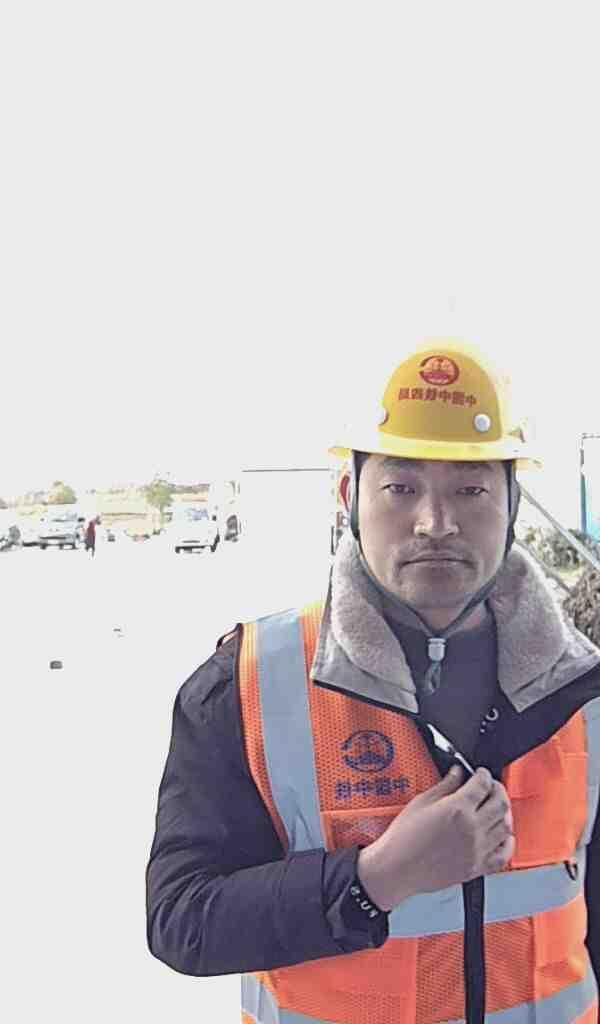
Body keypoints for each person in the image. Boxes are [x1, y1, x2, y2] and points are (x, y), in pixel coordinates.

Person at [146, 341, 600, 1024]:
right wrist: (376, 878)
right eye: (401, 488)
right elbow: (183, 919)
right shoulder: (247, 684)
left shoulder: (582, 689)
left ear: (513, 503)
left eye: (471, 489)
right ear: (349, 497)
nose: (436, 523)